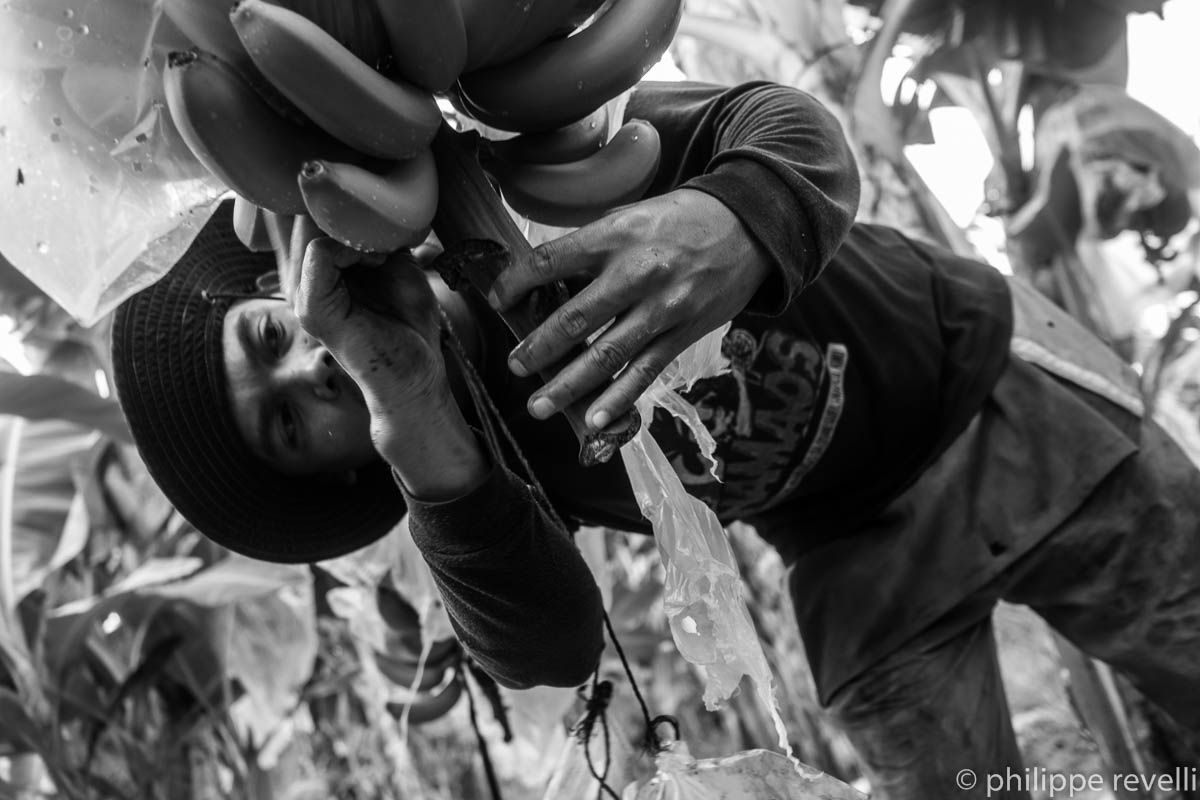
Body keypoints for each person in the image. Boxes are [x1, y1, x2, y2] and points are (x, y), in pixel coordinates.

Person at [111, 80, 1200, 799]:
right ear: (344, 465)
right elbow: (550, 647)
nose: (305, 372)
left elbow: (790, 128)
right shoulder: (470, 476)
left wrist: (736, 219)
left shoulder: (524, 174)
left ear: (277, 285)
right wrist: (412, 409)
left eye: (268, 339)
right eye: (289, 423)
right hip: (854, 553)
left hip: (990, 396)